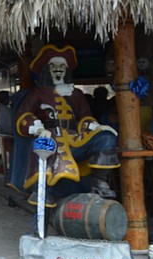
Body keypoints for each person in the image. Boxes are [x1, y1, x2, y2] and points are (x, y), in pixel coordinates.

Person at [11, 44, 120, 207]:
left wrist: (96, 128)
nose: (58, 69)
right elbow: (23, 116)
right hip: (49, 138)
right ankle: (43, 191)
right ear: (47, 70)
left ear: (67, 70)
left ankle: (99, 182)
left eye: (62, 66)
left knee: (107, 137)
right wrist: (38, 128)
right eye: (53, 66)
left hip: (75, 139)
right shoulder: (38, 93)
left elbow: (85, 117)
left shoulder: (76, 94)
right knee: (46, 145)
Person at [0, 90, 13, 175]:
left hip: (5, 132)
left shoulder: (0, 108)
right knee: (11, 154)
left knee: (6, 154)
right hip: (9, 133)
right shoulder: (5, 109)